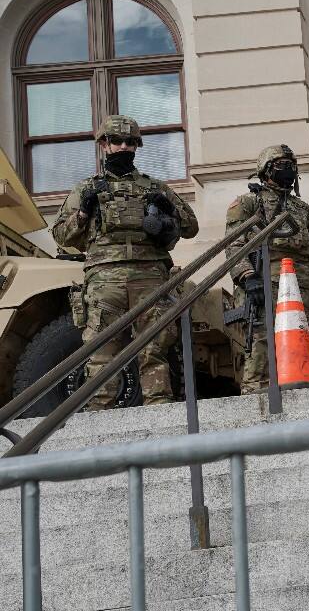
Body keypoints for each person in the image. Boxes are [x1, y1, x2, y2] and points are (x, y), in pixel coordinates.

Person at [51, 115, 198, 409]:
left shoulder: (153, 187)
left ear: (136, 146)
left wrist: (169, 208)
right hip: (105, 281)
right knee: (102, 353)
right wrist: (83, 212)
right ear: (104, 144)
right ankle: (99, 422)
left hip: (150, 276)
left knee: (154, 350)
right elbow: (61, 235)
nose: (123, 147)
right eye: (116, 141)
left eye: (130, 142)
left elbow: (190, 227)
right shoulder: (86, 188)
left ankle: (160, 415)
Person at [225, 145, 309, 393]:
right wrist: (248, 278)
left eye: (291, 165)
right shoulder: (247, 203)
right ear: (266, 170)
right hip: (262, 285)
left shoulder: (304, 211)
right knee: (260, 347)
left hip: (302, 291)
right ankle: (257, 400)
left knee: (305, 344)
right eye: (281, 165)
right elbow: (234, 244)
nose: (288, 170)